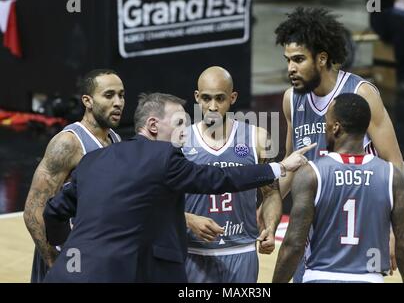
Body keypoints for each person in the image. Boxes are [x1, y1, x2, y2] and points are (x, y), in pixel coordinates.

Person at [42, 92, 313, 283]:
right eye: (179, 124)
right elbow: (216, 179)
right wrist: (278, 168)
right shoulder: (164, 157)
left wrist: (66, 246)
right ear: (152, 125)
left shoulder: (93, 160)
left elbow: (53, 212)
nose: (185, 132)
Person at [274, 6, 404, 282]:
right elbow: (290, 164)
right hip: (311, 225)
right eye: (287, 60)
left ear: (321, 58)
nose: (290, 68)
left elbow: (394, 163)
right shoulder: (291, 99)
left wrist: (394, 229)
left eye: (298, 59)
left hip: (357, 227)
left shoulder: (361, 94)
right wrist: (266, 211)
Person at [273, 93, 404, 283]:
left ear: (335, 127)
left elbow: (294, 244)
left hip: (320, 276)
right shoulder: (391, 176)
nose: (324, 127)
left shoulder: (311, 174)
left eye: (326, 122)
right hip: (370, 278)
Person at [183, 66, 290, 283]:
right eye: (206, 98)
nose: (212, 106)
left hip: (242, 250)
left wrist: (270, 227)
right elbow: (161, 197)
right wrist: (187, 219)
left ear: (232, 98)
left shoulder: (258, 138)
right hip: (194, 252)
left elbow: (271, 193)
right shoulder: (180, 141)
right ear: (197, 97)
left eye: (220, 99)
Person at [23, 69, 125, 282]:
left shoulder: (115, 138)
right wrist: (55, 262)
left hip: (98, 253)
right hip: (69, 254)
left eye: (121, 95)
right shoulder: (69, 143)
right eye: (109, 95)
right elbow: (33, 210)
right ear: (88, 101)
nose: (118, 102)